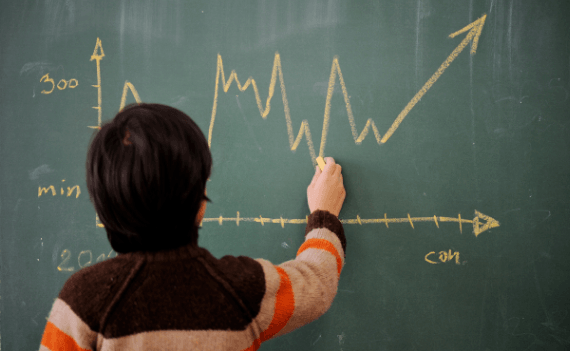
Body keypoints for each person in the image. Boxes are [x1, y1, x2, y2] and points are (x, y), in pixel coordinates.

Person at [39, 103, 346, 351]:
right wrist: (323, 215)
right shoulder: (244, 289)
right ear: (200, 206)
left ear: (102, 210)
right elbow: (317, 283)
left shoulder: (82, 302)